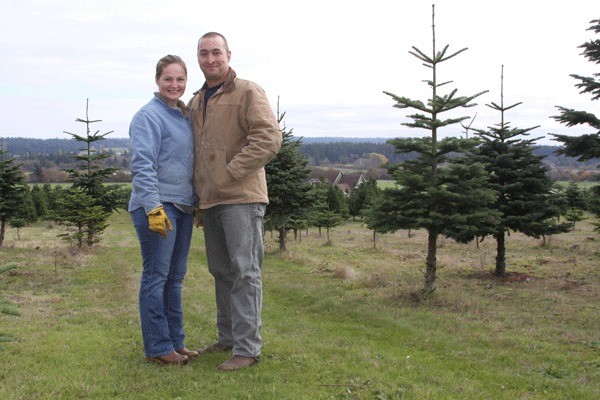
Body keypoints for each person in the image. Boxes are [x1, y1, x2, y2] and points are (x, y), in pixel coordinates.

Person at [189, 32, 282, 371]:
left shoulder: (247, 91)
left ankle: (247, 349)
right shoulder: (198, 100)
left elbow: (269, 138)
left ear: (228, 54)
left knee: (245, 272)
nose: (210, 59)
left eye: (216, 52)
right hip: (211, 201)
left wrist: (230, 171)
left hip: (241, 198)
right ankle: (227, 338)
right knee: (222, 271)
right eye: (203, 53)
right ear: (198, 58)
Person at [128, 55, 198, 365]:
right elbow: (143, 164)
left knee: (175, 277)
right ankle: (158, 346)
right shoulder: (148, 116)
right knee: (156, 276)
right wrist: (153, 207)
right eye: (168, 79)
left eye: (180, 79)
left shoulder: (182, 116)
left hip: (183, 205)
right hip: (158, 205)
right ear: (157, 80)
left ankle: (176, 342)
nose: (174, 85)